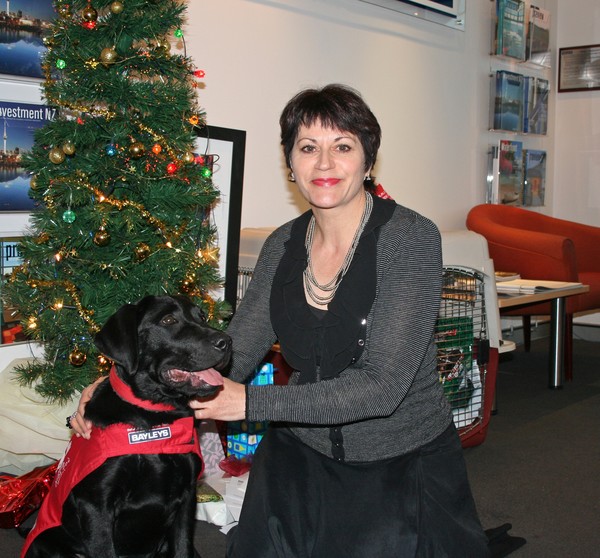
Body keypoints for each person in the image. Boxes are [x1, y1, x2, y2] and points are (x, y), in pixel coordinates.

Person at [72, 84, 490, 557]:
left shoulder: (409, 239)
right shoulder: (281, 246)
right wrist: (119, 388)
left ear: (368, 160)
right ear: (291, 164)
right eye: (308, 148)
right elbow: (236, 349)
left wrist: (249, 402)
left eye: (343, 146)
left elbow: (384, 386)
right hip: (298, 451)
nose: (325, 163)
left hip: (397, 458)